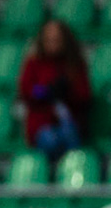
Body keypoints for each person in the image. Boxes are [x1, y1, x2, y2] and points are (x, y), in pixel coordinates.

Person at [17, 18, 92, 160]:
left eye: (56, 39)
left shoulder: (74, 64)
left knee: (70, 135)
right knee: (50, 139)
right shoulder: (34, 63)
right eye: (49, 40)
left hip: (69, 122)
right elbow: (26, 90)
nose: (52, 43)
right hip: (42, 124)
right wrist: (45, 91)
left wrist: (68, 92)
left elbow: (85, 95)